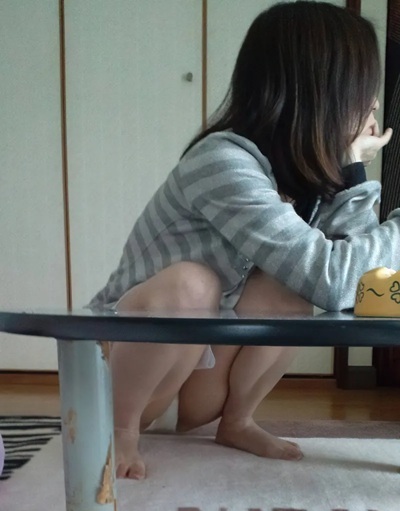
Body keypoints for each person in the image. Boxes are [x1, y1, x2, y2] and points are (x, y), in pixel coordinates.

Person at [89, 1, 396, 480]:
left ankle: (236, 422)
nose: (373, 104)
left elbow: (354, 282)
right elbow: (337, 278)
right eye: (362, 88)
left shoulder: (300, 174)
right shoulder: (223, 161)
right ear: (320, 91)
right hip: (118, 374)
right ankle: (117, 432)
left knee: (291, 287)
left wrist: (352, 172)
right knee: (193, 284)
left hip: (192, 378)